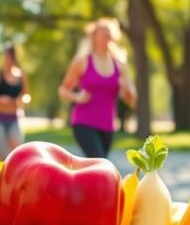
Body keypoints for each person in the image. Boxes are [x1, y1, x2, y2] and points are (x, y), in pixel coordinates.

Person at [58, 18, 137, 158]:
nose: (106, 34)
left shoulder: (119, 64)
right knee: (99, 161)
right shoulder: (82, 61)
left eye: (109, 31)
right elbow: (63, 90)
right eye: (102, 31)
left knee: (98, 167)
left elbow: (132, 100)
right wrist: (77, 97)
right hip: (84, 122)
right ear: (94, 36)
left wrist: (126, 90)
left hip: (108, 125)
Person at [0, 44, 31, 160]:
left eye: (10, 57)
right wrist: (1, 100)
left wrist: (23, 100)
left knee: (16, 151)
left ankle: (16, 176)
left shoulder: (21, 75)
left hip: (15, 117)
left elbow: (27, 95)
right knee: (2, 155)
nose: (7, 60)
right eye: (6, 57)